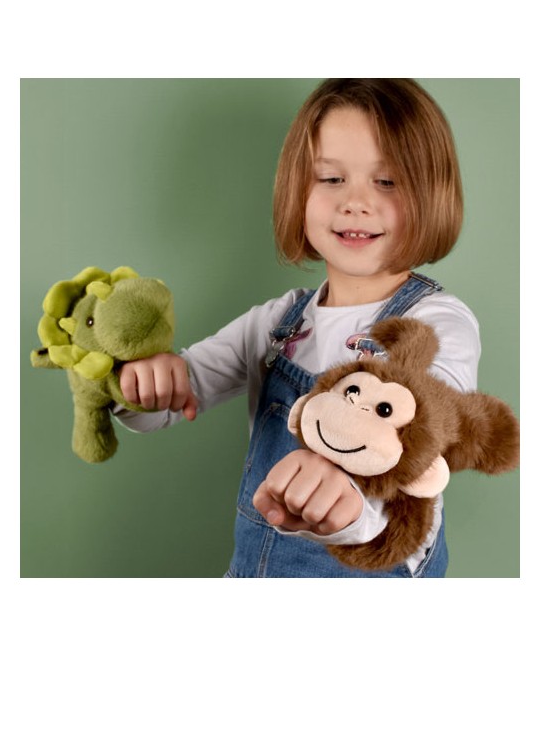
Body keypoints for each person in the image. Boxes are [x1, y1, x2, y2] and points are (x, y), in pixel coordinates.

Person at [114, 79, 481, 578]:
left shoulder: (437, 324)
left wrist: (345, 500)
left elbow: (433, 423)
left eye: (387, 181)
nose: (355, 202)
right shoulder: (278, 324)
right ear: (299, 191)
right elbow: (166, 404)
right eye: (331, 178)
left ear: (431, 193)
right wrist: (146, 382)